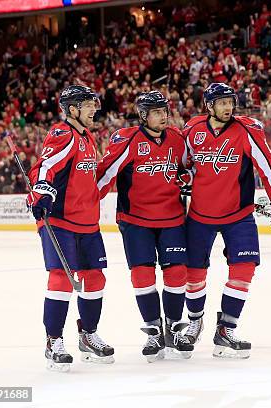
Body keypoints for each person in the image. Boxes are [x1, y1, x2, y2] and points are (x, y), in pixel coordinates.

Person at [182, 82, 271, 358]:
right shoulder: (192, 131)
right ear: (209, 106)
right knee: (193, 273)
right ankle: (195, 322)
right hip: (199, 215)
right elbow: (181, 165)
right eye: (221, 103)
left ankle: (226, 328)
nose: (228, 107)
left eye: (230, 102)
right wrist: (184, 178)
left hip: (238, 215)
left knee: (244, 268)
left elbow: (268, 164)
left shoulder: (246, 129)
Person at [96, 91, 193, 361]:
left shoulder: (176, 138)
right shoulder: (128, 140)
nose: (163, 116)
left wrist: (187, 176)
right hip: (135, 220)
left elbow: (190, 167)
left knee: (177, 274)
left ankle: (173, 328)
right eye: (157, 112)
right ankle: (153, 330)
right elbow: (104, 175)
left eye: (165, 111)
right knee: (142, 275)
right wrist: (81, 201)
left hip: (172, 217)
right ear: (143, 115)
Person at [26, 85, 114, 371]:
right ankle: (54, 341)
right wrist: (41, 192)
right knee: (62, 278)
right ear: (72, 109)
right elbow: (44, 166)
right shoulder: (63, 133)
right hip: (60, 220)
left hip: (87, 221)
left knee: (95, 279)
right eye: (88, 105)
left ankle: (88, 335)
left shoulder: (87, 136)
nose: (94, 109)